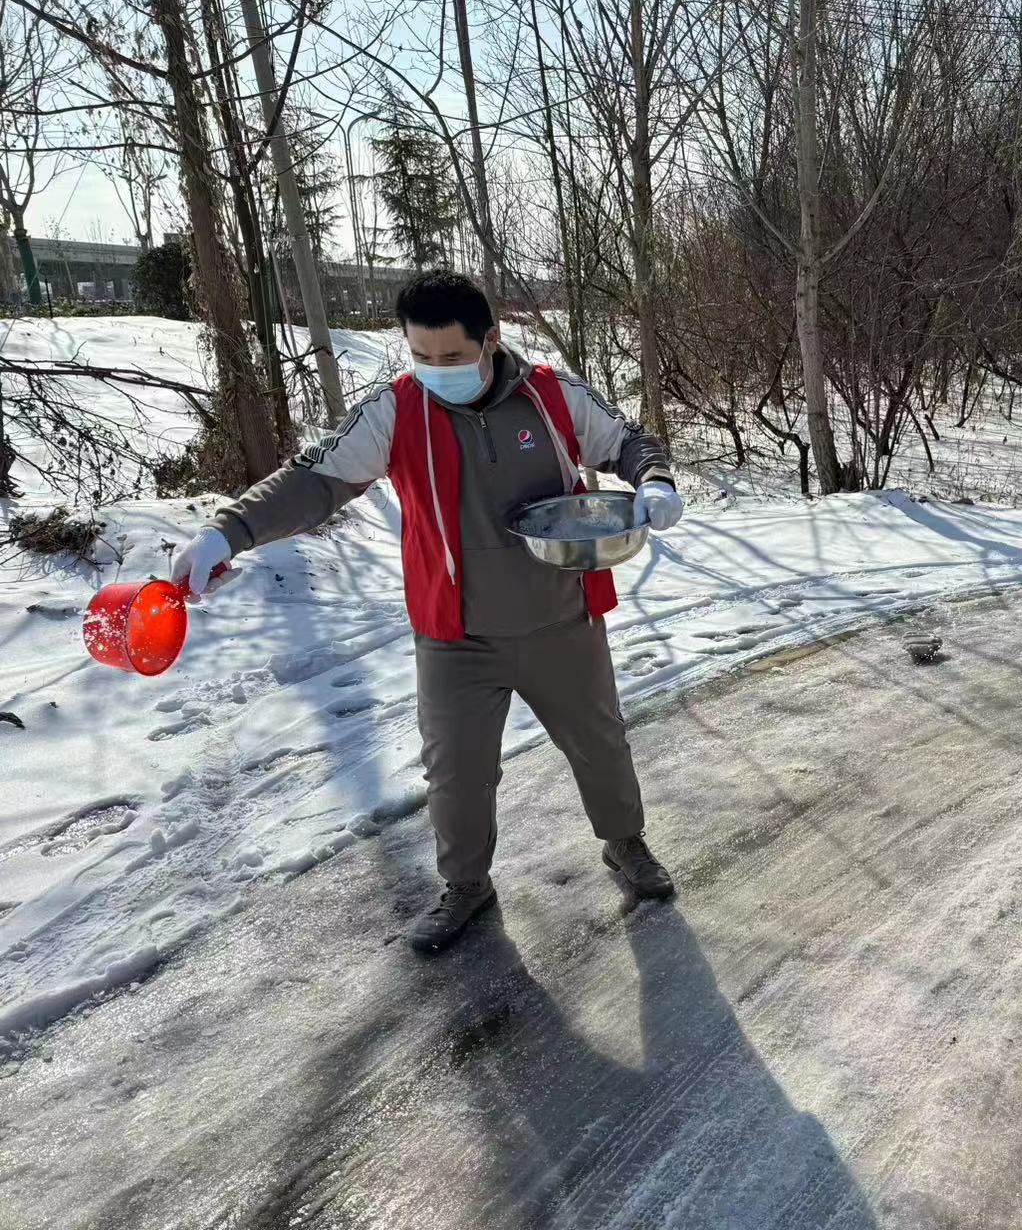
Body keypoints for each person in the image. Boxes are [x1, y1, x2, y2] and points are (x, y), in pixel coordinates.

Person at [171, 271, 685, 953]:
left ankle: (626, 845)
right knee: (456, 772)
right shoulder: (395, 411)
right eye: (421, 355)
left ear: (490, 340)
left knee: (599, 745)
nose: (435, 370)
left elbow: (628, 441)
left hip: (561, 616)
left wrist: (654, 480)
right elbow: (314, 479)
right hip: (455, 635)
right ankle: (466, 886)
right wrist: (227, 531)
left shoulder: (552, 396)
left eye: (451, 356)